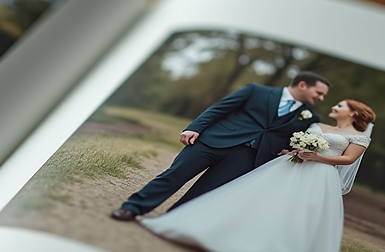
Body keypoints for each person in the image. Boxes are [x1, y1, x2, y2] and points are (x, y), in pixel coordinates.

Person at [141, 99, 376, 252]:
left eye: (340, 105)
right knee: (259, 203)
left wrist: (316, 157)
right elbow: (291, 140)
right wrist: (294, 151)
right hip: (289, 166)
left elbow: (348, 160)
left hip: (320, 176)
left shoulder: (359, 137)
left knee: (294, 213)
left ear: (353, 112)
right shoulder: (316, 124)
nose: (334, 106)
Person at [110, 71, 330, 221]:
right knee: (175, 174)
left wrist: (289, 152)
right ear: (302, 85)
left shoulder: (310, 116)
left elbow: (290, 138)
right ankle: (132, 208)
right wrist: (194, 127)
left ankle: (170, 221)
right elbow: (220, 109)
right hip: (212, 141)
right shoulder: (256, 91)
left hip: (248, 157)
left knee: (207, 191)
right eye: (318, 92)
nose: (320, 98)